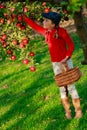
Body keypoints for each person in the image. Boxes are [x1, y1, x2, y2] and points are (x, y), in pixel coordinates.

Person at [23, 11, 83, 119]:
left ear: (53, 23)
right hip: (55, 64)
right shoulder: (46, 32)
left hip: (65, 62)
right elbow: (34, 26)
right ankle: (68, 112)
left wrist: (67, 57)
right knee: (61, 87)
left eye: (46, 20)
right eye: (44, 20)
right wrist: (23, 16)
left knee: (70, 86)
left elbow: (71, 45)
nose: (43, 22)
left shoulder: (62, 32)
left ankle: (78, 111)